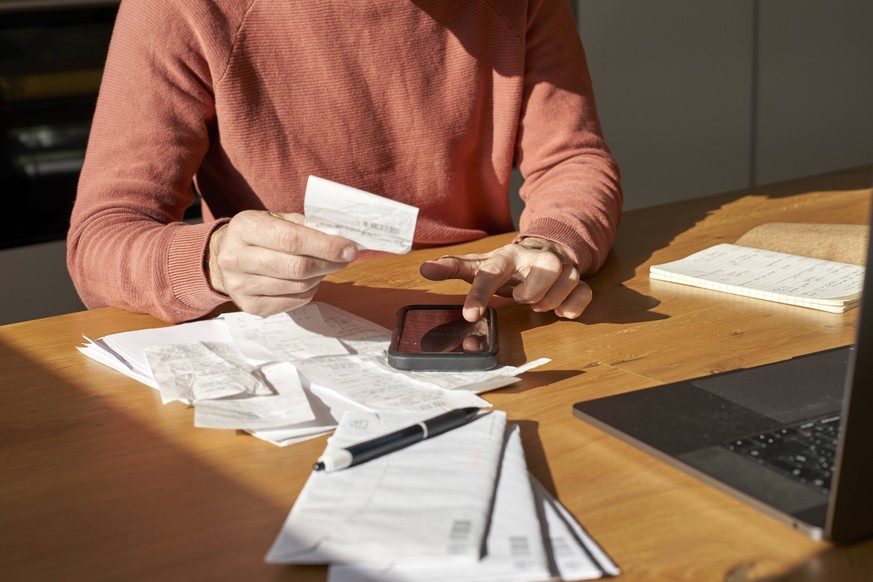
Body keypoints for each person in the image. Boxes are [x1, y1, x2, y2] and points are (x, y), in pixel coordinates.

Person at [67, 0, 622, 325]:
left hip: (488, 313)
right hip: (291, 329)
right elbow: (101, 237)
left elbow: (571, 159)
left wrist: (551, 243)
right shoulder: (181, 9)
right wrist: (213, 258)